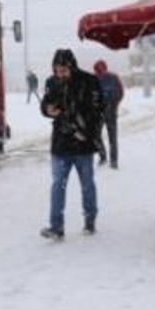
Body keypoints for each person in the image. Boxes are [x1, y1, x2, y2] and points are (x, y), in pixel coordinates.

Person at [40, 49, 103, 240]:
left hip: (83, 144)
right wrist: (48, 110)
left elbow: (98, 108)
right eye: (57, 70)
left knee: (87, 184)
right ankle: (56, 226)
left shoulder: (88, 81)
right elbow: (45, 104)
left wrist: (85, 129)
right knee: (58, 184)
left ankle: (90, 218)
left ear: (72, 67)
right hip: (60, 144)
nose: (60, 74)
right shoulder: (52, 82)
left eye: (63, 70)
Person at [93, 60, 123, 169]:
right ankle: (103, 156)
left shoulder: (113, 78)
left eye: (101, 71)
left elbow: (120, 93)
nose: (100, 74)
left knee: (113, 138)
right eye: (97, 72)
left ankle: (114, 161)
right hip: (98, 114)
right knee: (95, 136)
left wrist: (113, 105)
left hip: (111, 112)